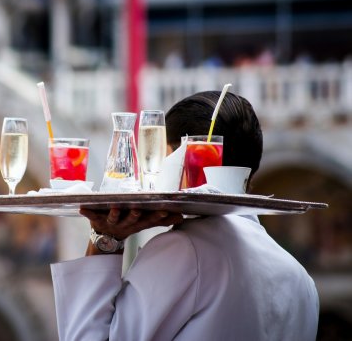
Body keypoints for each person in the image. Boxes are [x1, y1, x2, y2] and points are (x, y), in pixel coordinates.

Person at [50, 91, 319, 341]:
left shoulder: (184, 251)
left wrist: (104, 240)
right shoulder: (301, 279)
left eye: (160, 158)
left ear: (185, 160)